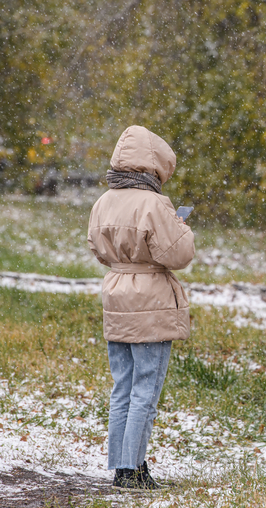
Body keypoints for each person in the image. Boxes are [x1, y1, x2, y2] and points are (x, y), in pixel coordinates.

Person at [87, 125, 195, 491]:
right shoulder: (153, 204)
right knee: (146, 389)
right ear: (153, 165)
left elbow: (96, 248)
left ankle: (122, 465)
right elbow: (178, 255)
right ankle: (133, 470)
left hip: (116, 293)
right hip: (150, 299)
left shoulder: (104, 201)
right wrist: (179, 226)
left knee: (123, 387)